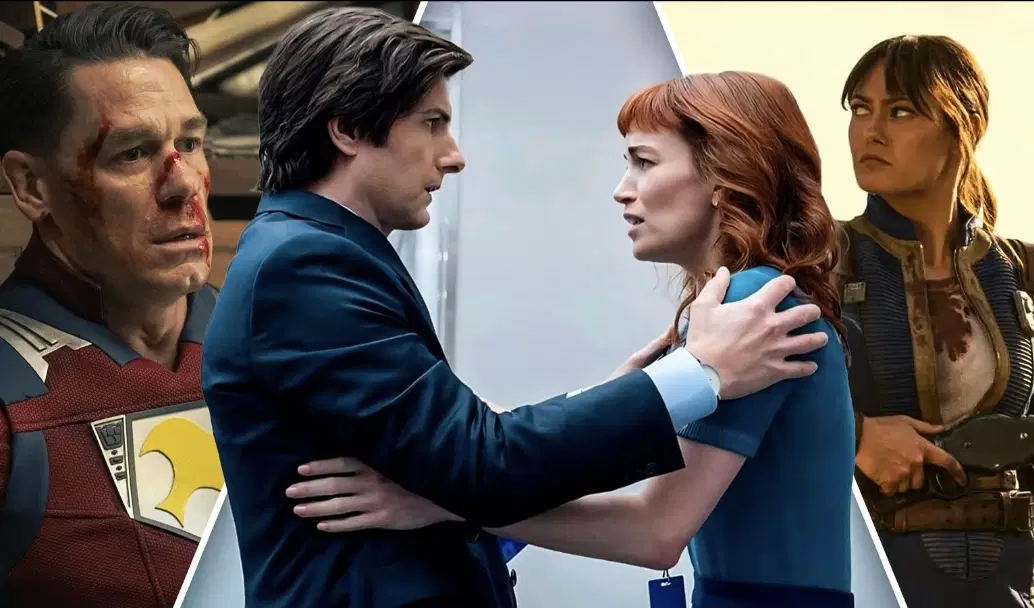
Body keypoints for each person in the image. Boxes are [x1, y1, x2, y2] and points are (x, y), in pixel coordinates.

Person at [200, 7, 833, 608]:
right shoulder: (306, 264)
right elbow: (479, 458)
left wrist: (444, 497)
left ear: (725, 176)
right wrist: (695, 374)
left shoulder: (752, 304)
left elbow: (634, 522)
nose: (454, 154)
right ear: (346, 130)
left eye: (643, 162)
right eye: (432, 122)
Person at [0, 3, 222, 607]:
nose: (184, 184)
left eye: (190, 142)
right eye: (132, 153)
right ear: (32, 186)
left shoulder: (279, 346)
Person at [834, 35, 1034, 608]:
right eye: (860, 109)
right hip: (871, 576)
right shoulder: (821, 260)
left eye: (900, 111)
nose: (871, 132)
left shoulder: (1021, 269)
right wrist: (854, 434)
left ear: (962, 126)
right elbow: (728, 391)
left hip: (1009, 579)